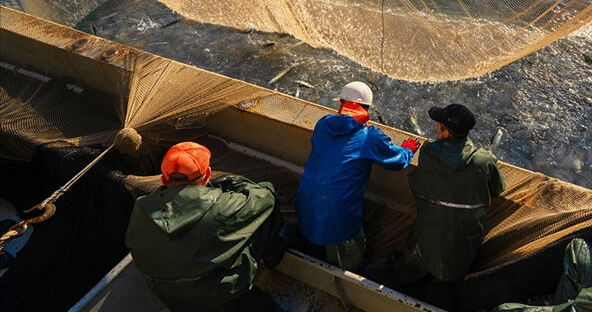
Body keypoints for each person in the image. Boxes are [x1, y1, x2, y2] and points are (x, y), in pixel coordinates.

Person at [125, 142, 283, 311]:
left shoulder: (141, 208)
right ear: (208, 174)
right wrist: (237, 183)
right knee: (258, 216)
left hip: (170, 298)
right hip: (221, 297)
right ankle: (272, 257)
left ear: (163, 179)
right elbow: (265, 197)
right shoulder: (222, 206)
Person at [295, 81, 418, 271]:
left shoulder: (323, 124)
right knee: (350, 257)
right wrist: (408, 150)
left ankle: (318, 250)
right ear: (366, 109)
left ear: (341, 103)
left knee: (317, 234)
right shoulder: (370, 136)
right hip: (338, 213)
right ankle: (349, 262)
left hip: (305, 200)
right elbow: (396, 161)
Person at [393, 103, 506, 283]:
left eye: (438, 125)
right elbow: (497, 188)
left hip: (424, 240)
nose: (436, 126)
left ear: (446, 133)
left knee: (413, 261)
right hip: (463, 249)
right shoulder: (484, 161)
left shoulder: (428, 152)